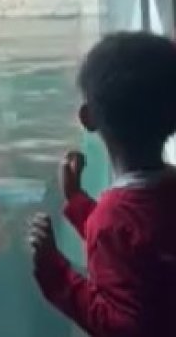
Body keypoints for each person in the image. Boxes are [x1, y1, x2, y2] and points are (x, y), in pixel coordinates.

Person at [28, 31, 176, 337]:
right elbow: (138, 247)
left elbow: (119, 325)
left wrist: (54, 270)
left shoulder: (111, 220)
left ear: (88, 117)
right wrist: (79, 203)